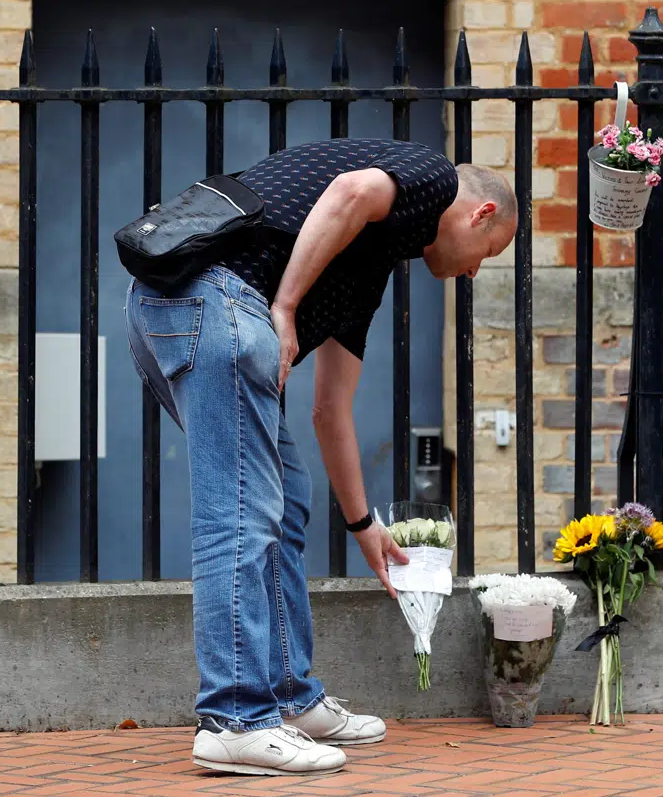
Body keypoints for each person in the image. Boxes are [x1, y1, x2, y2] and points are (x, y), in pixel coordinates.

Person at [123, 138, 518, 776]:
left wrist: (365, 527)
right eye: (488, 255)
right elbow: (350, 192)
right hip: (214, 300)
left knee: (285, 499)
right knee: (242, 510)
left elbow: (330, 410)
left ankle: (287, 697)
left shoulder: (366, 263)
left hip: (193, 309)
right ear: (481, 216)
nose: (474, 272)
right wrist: (282, 307)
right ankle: (235, 718)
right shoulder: (433, 178)